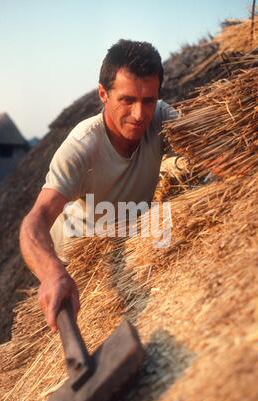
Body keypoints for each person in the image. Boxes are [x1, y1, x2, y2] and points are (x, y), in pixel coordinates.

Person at [19, 39, 177, 333]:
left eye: (148, 100)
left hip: (129, 239)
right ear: (103, 94)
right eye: (127, 100)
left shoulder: (161, 116)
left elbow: (209, 152)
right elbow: (35, 221)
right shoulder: (81, 149)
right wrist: (53, 273)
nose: (140, 114)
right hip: (79, 258)